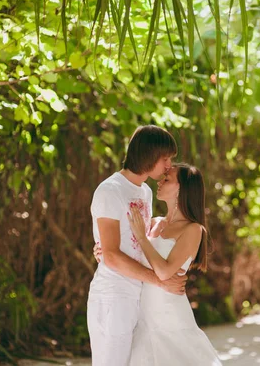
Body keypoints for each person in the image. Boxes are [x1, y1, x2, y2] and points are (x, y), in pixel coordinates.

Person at [94, 163, 222, 365]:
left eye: (167, 179)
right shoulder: (153, 223)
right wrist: (104, 252)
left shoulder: (193, 229)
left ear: (182, 189)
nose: (160, 182)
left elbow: (164, 271)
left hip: (169, 313)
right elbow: (131, 254)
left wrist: (142, 238)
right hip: (143, 312)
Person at [87, 125, 188, 366]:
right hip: (113, 295)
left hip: (139, 296)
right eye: (165, 158)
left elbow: (137, 242)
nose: (168, 166)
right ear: (149, 155)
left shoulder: (145, 192)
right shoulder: (110, 190)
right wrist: (159, 280)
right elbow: (111, 256)